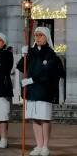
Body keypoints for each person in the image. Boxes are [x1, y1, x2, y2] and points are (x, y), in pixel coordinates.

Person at [17, 27, 64, 156]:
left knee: (44, 119)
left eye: (40, 35)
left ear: (47, 37)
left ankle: (45, 146)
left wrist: (32, 79)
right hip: (32, 91)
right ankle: (38, 145)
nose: (37, 38)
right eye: (36, 35)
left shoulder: (51, 54)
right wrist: (24, 55)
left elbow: (49, 73)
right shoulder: (31, 52)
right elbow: (21, 67)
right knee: (35, 119)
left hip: (44, 91)